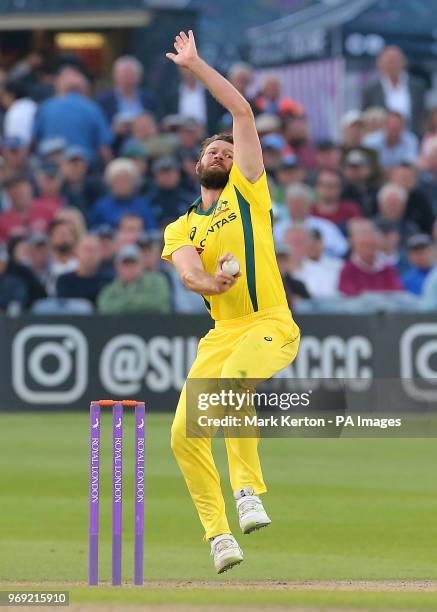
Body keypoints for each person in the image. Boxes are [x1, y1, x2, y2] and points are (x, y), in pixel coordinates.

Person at [161, 30, 300, 574]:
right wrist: (208, 286)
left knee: (239, 378)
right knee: (181, 433)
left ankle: (248, 492)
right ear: (198, 166)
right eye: (210, 151)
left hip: (270, 324)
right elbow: (189, 271)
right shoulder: (182, 226)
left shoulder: (249, 189)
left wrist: (195, 66)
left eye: (225, 149)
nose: (220, 153)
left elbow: (241, 110)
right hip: (221, 333)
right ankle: (219, 536)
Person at [33, 67, 112, 163]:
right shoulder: (92, 108)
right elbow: (104, 148)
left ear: (59, 87)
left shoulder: (46, 107)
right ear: (83, 88)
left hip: (52, 168)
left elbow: (35, 140)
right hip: (84, 168)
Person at [361, 46, 426, 136]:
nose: (392, 65)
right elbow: (365, 116)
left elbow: (423, 114)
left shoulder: (417, 87)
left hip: (413, 137)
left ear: (404, 62)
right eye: (389, 61)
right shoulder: (370, 90)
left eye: (395, 61)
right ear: (380, 64)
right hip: (381, 139)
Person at [97, 243, 171, 314]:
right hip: (120, 326)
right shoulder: (110, 289)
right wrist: (138, 301)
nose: (129, 268)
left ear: (141, 264)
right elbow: (105, 307)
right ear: (117, 267)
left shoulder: (157, 281)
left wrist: (124, 302)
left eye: (133, 263)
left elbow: (158, 303)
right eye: (126, 264)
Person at [88, 158, 156, 230]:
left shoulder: (143, 205)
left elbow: (151, 229)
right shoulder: (101, 206)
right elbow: (92, 230)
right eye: (119, 180)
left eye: (126, 180)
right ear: (111, 182)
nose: (123, 184)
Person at [339, 219, 403, 296]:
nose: (368, 240)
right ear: (353, 243)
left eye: (371, 237)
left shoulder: (388, 270)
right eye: (364, 243)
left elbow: (398, 294)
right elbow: (350, 297)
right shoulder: (347, 270)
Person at [97, 56, 157, 123]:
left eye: (131, 74)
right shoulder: (103, 101)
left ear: (139, 76)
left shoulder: (150, 98)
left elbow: (158, 120)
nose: (128, 78)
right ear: (115, 76)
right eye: (125, 74)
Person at [56, 234, 108, 304]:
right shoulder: (64, 281)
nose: (90, 254)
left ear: (101, 254)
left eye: (94, 250)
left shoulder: (108, 282)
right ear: (76, 252)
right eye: (86, 249)